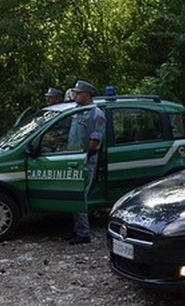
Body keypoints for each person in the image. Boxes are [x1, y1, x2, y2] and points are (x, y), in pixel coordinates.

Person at [65, 79, 105, 245]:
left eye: (78, 93)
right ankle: (77, 229)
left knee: (79, 196)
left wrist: (81, 156)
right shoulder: (77, 111)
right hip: (72, 159)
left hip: (85, 161)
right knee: (73, 196)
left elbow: (94, 141)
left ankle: (84, 233)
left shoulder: (97, 114)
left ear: (87, 95)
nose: (75, 95)